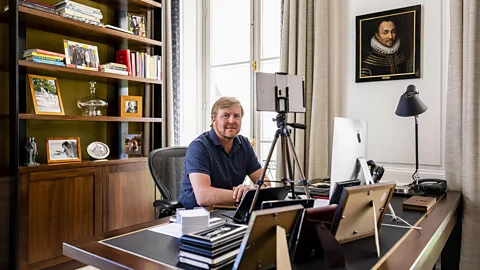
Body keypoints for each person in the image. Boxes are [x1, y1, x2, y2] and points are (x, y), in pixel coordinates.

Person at [178, 97, 268, 209]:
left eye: (236, 116)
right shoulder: (199, 147)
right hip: (197, 215)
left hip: (229, 210)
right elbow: (203, 196)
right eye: (226, 115)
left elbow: (266, 184)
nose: (232, 121)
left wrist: (252, 190)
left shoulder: (244, 144)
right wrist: (246, 195)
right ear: (213, 119)